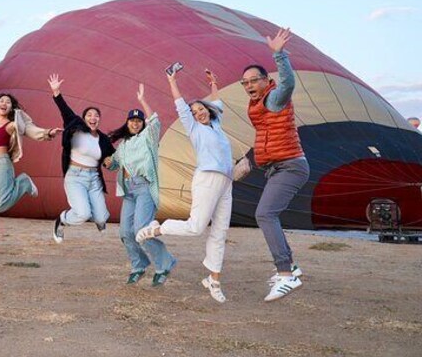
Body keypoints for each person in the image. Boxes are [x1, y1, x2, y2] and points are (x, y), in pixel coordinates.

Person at [136, 68, 233, 303]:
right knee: (196, 227)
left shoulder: (217, 125)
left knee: (220, 233)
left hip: (227, 183)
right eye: (195, 112)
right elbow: (180, 104)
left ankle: (214, 280)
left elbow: (217, 102)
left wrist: (212, 84)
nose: (199, 113)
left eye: (201, 109)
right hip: (207, 178)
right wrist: (171, 80)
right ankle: (155, 229)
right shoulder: (195, 128)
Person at [241, 28, 308, 302]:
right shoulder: (256, 105)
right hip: (276, 167)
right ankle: (291, 266)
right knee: (268, 214)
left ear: (266, 80)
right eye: (244, 83)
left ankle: (285, 274)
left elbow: (289, 84)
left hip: (290, 165)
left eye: (253, 80)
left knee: (265, 214)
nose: (249, 86)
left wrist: (279, 54)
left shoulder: (274, 97)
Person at [104, 84, 176, 286]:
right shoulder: (124, 145)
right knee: (126, 232)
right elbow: (114, 164)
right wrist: (108, 163)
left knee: (141, 230)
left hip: (144, 188)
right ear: (126, 123)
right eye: (132, 121)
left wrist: (143, 100)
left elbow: (154, 121)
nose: (135, 124)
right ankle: (139, 265)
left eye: (138, 121)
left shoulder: (148, 138)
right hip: (128, 190)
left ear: (142, 123)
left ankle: (165, 264)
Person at [0, 72, 60, 214]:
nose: (4, 103)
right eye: (2, 101)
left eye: (8, 102)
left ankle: (23, 182)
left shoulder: (12, 124)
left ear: (11, 108)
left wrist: (48, 133)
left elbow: (29, 129)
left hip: (2, 165)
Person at [48, 73, 115, 243]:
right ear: (84, 118)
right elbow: (64, 109)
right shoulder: (76, 126)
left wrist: (111, 162)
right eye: (89, 115)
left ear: (99, 119)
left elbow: (112, 159)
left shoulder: (103, 139)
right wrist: (56, 92)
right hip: (75, 176)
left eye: (96, 115)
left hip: (94, 179)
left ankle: (99, 220)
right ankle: (62, 220)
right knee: (83, 214)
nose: (93, 118)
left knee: (101, 218)